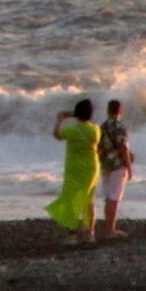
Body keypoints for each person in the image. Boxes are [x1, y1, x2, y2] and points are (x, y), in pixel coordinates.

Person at [45, 98, 101, 244]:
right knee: (89, 201)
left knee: (71, 201)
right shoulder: (96, 129)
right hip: (92, 168)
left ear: (76, 114)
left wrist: (60, 120)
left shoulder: (72, 130)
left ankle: (72, 235)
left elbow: (57, 135)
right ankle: (90, 234)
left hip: (75, 169)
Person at [98, 99, 133, 238]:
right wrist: (129, 166)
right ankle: (110, 230)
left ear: (108, 110)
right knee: (114, 197)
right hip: (118, 165)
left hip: (105, 164)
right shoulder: (119, 126)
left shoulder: (103, 126)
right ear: (120, 110)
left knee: (108, 196)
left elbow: (100, 147)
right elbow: (123, 147)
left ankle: (108, 227)